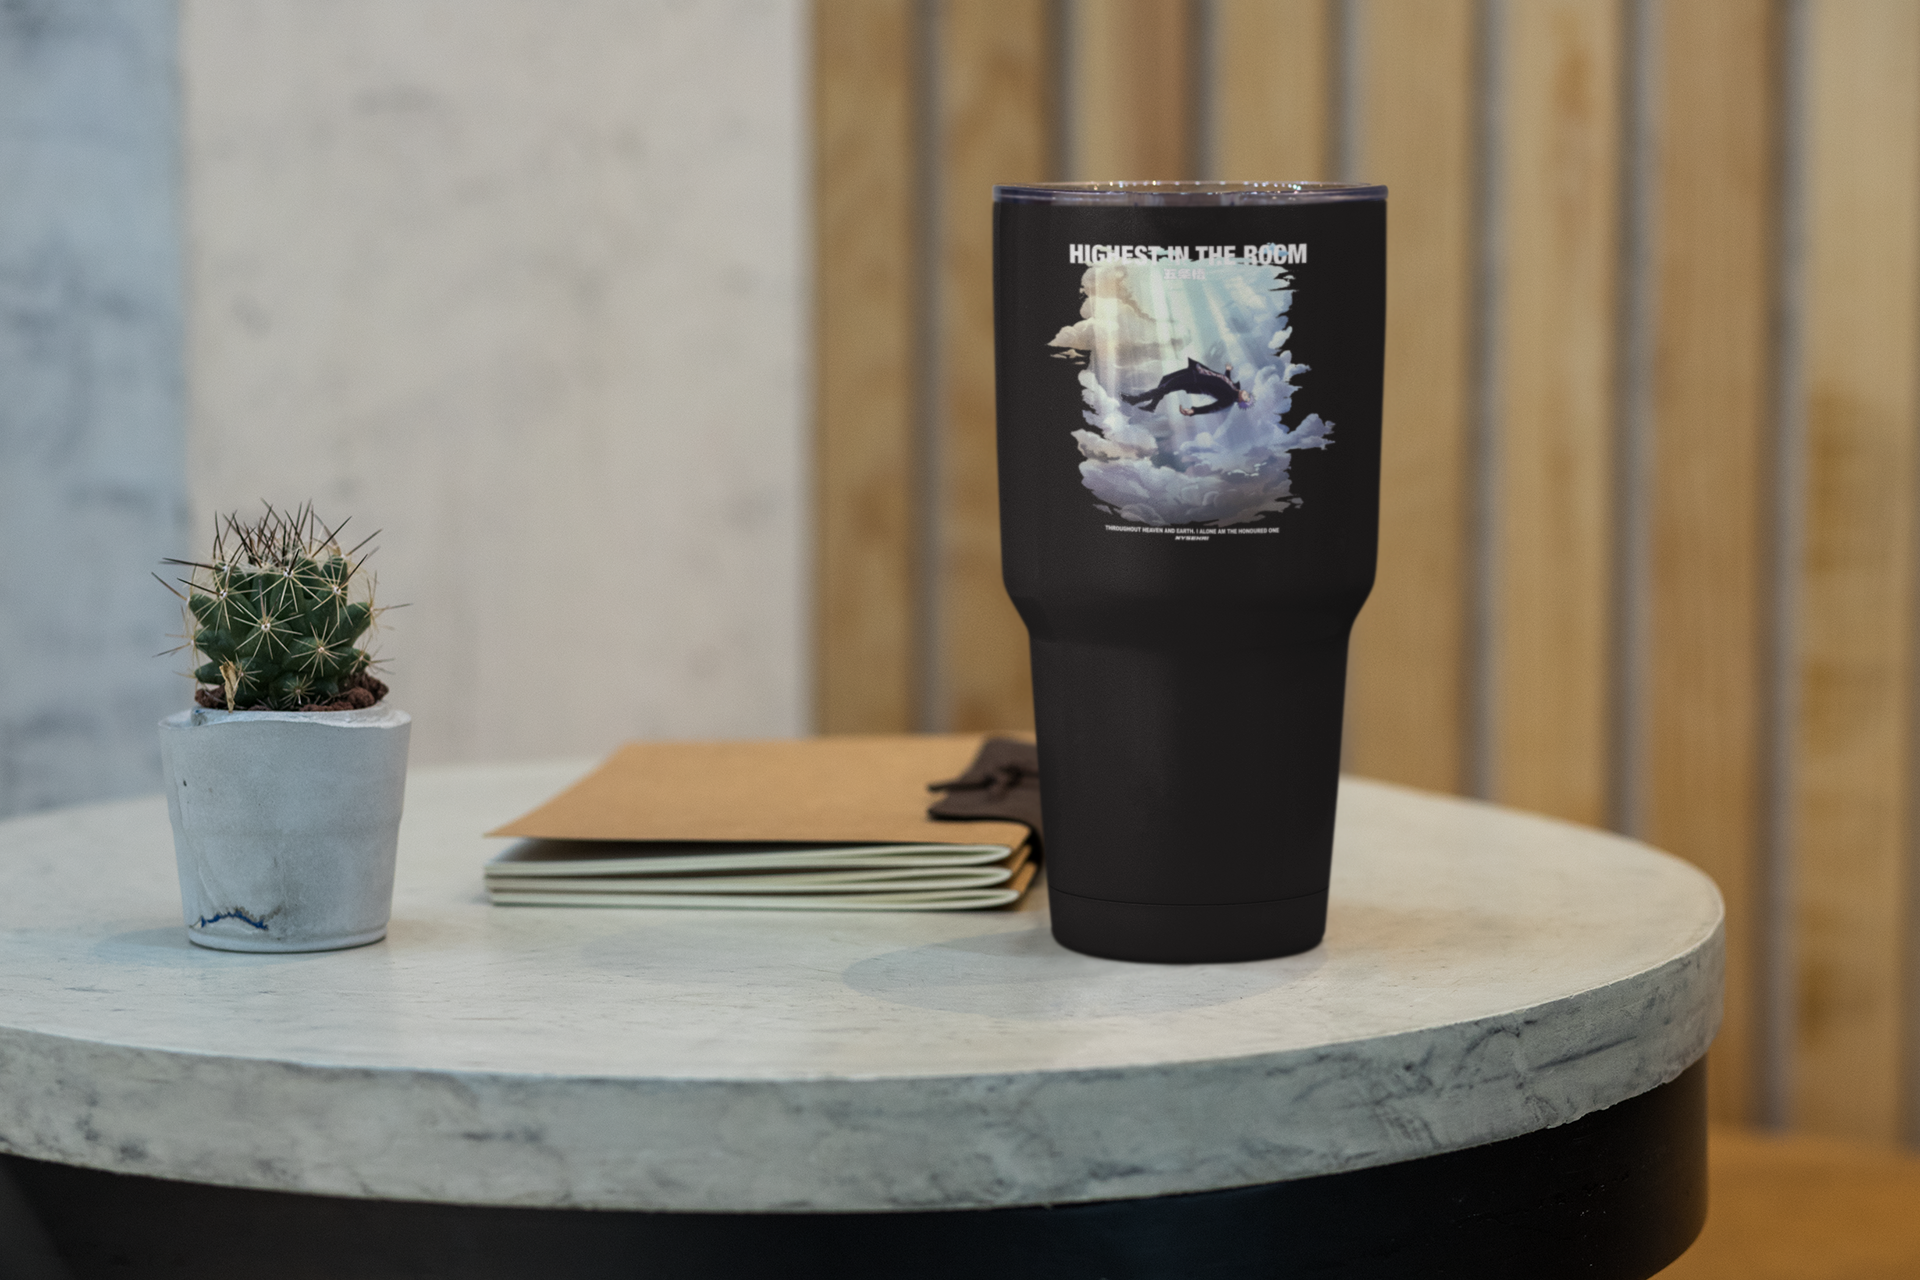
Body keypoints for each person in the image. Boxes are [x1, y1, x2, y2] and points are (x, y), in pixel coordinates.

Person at [1122, 358, 1254, 416]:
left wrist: (1194, 411)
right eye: (1248, 395)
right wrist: (1228, 370)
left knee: (1165, 388)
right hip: (1196, 371)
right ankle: (1152, 406)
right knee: (1165, 379)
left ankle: (1136, 399)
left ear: (1241, 402)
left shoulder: (1229, 400)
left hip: (1195, 382)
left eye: (1246, 399)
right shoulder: (1233, 387)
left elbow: (1212, 408)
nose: (1246, 395)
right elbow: (1224, 380)